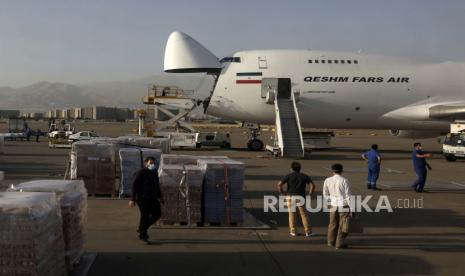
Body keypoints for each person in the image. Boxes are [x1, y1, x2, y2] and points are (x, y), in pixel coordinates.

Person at [129, 157, 164, 243]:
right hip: (142, 198)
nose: (152, 165)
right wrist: (132, 199)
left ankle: (141, 228)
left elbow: (157, 185)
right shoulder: (141, 172)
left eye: (154, 163)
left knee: (157, 214)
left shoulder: (154, 172)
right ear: (146, 163)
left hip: (153, 197)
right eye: (151, 163)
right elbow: (134, 186)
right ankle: (143, 236)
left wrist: (160, 197)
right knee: (145, 216)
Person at [277, 161, 315, 237]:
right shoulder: (304, 176)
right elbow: (312, 185)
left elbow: (279, 184)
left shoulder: (288, 176)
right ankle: (308, 231)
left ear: (291, 168)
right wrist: (310, 194)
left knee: (291, 214)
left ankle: (293, 231)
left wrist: (282, 193)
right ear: (300, 168)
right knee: (303, 214)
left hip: (290, 196)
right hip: (301, 197)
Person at [323, 163, 352, 249]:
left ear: (332, 171)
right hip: (343, 205)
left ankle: (330, 241)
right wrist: (352, 208)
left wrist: (330, 200)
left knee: (332, 224)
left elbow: (325, 194)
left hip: (333, 205)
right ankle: (339, 244)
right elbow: (348, 196)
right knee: (342, 225)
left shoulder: (327, 180)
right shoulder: (344, 180)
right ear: (341, 171)